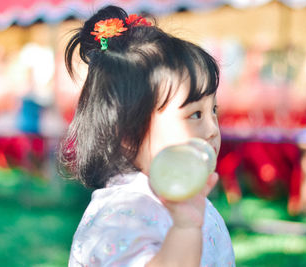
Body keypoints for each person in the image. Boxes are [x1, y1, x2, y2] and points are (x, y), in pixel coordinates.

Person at [58, 5, 235, 266]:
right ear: (128, 133)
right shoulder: (122, 214)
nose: (212, 129)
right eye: (195, 114)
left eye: (214, 111)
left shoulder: (187, 201)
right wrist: (186, 227)